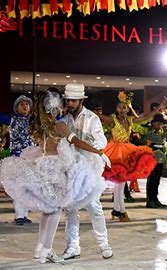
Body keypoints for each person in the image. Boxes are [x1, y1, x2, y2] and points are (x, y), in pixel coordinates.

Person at [0, 90, 110, 263]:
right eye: (64, 102)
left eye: (72, 101)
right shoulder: (59, 124)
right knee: (57, 210)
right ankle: (51, 250)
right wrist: (99, 153)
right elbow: (75, 141)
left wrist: (95, 150)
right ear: (54, 107)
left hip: (47, 166)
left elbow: (93, 140)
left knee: (51, 210)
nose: (67, 105)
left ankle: (42, 248)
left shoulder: (41, 124)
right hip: (57, 169)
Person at [58, 84, 114, 260]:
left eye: (74, 100)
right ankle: (73, 246)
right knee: (70, 208)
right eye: (68, 100)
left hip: (89, 166)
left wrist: (92, 150)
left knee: (94, 206)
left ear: (81, 100)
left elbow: (101, 141)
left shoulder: (92, 118)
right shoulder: (64, 118)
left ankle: (104, 243)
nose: (70, 103)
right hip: (69, 167)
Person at [97, 91, 159, 222]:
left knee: (120, 184)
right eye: (119, 107)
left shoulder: (130, 120)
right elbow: (99, 116)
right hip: (114, 152)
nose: (122, 110)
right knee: (119, 185)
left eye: (124, 107)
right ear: (116, 108)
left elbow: (145, 118)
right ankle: (121, 211)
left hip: (127, 151)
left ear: (127, 108)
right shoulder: (112, 119)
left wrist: (158, 109)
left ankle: (117, 210)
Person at [0, 90, 35, 225]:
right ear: (16, 108)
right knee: (18, 188)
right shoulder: (12, 119)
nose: (25, 106)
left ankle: (24, 214)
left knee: (28, 188)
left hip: (32, 159)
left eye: (27, 104)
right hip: (17, 159)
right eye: (22, 104)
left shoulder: (34, 121)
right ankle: (19, 215)